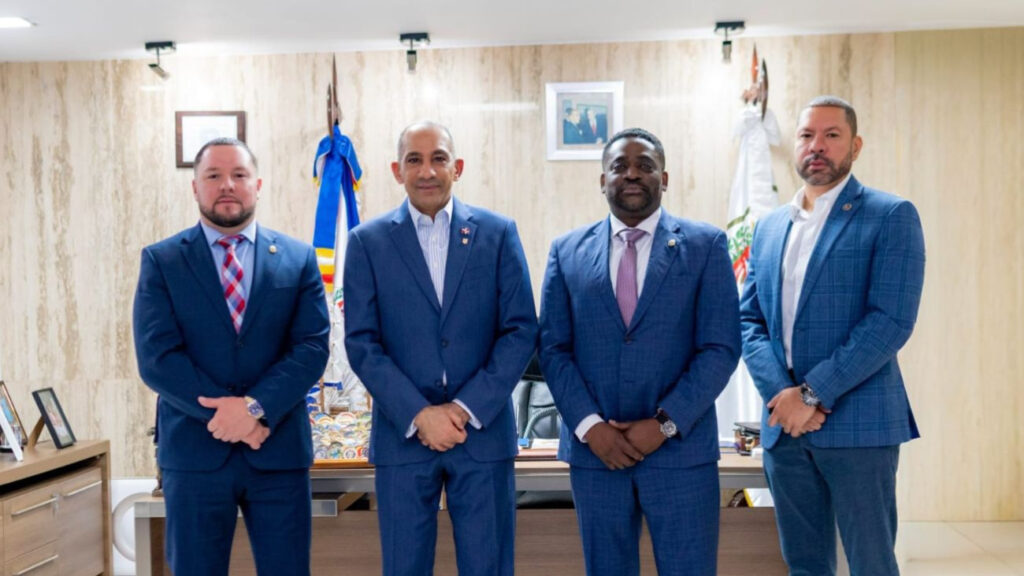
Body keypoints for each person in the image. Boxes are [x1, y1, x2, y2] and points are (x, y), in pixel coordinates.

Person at [539, 128, 741, 576]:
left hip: (681, 454)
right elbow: (553, 350)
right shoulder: (566, 252)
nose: (632, 174)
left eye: (645, 165)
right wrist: (591, 428)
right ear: (602, 180)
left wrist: (665, 424)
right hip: (596, 455)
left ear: (664, 179)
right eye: (619, 166)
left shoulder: (705, 246)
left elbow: (720, 347)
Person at [739, 96, 926, 576]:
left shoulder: (890, 215)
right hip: (784, 430)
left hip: (859, 426)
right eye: (806, 135)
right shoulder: (768, 228)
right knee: (804, 564)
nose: (816, 146)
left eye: (831, 135)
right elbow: (749, 321)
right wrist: (783, 396)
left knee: (871, 564)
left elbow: (890, 320)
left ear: (855, 146)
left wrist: (811, 394)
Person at [343, 121, 538, 576]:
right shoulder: (367, 242)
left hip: (482, 435)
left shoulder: (497, 233)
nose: (427, 171)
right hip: (403, 437)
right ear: (397, 170)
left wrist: (465, 408)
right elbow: (362, 342)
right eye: (414, 160)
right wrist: (419, 413)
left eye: (438, 159)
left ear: (458, 167)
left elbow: (520, 330)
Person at [133, 138, 330, 576]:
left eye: (239, 175)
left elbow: (312, 347)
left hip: (277, 450)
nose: (227, 185)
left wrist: (255, 408)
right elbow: (157, 357)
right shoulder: (163, 261)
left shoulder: (297, 259)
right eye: (213, 176)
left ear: (257, 185)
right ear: (195, 187)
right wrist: (229, 416)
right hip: (194, 455)